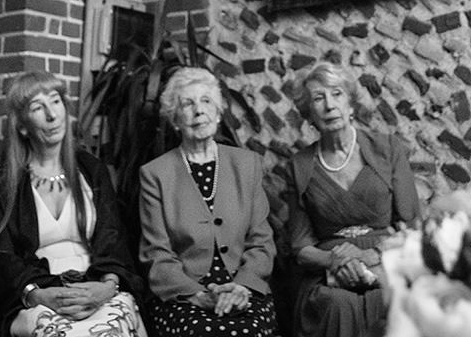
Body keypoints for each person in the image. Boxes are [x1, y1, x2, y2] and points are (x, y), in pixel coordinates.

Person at [0, 70, 143, 336]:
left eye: (55, 101)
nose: (52, 115)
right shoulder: (2, 183)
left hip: (96, 288)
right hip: (35, 296)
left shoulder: (93, 171)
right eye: (38, 107)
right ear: (21, 125)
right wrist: (38, 295)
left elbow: (114, 242)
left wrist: (108, 287)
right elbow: (0, 259)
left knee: (117, 324)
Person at [138, 67, 278, 337]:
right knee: (202, 330)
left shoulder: (246, 164)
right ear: (175, 119)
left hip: (243, 288)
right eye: (187, 104)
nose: (199, 110)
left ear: (217, 112)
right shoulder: (155, 174)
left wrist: (242, 287)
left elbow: (262, 241)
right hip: (185, 295)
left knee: (248, 329)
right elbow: (156, 253)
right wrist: (198, 295)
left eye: (206, 101)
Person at [286, 62, 418, 337]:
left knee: (390, 298)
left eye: (337, 94)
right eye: (318, 98)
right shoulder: (299, 165)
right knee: (336, 304)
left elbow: (411, 225)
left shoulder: (388, 148)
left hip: (387, 258)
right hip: (330, 270)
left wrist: (372, 256)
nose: (329, 106)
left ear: (350, 104)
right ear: (309, 113)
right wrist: (335, 262)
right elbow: (301, 248)